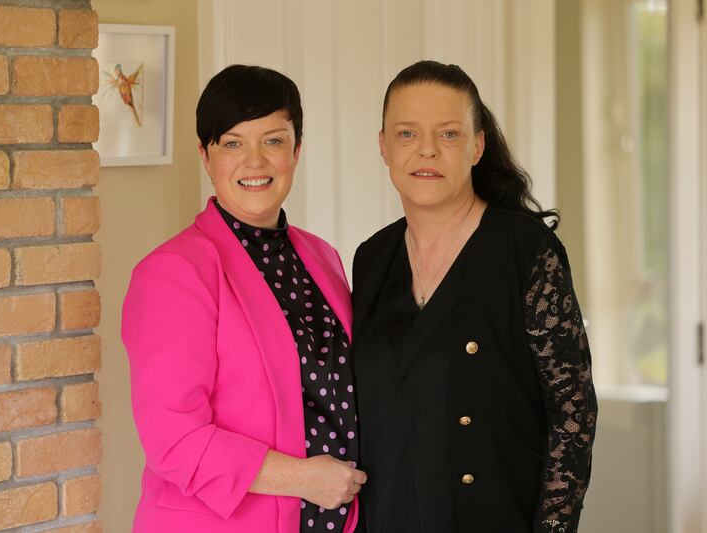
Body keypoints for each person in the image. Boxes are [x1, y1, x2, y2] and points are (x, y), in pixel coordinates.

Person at [351, 60, 597, 532]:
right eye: (406, 134)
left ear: (478, 145)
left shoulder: (526, 252)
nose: (426, 150)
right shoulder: (371, 258)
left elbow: (573, 414)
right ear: (383, 145)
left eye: (448, 134)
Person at [122, 64, 366, 533]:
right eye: (233, 143)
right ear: (205, 155)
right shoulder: (173, 273)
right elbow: (174, 440)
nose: (254, 162)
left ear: (297, 150)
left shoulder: (323, 257)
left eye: (273, 140)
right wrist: (303, 479)